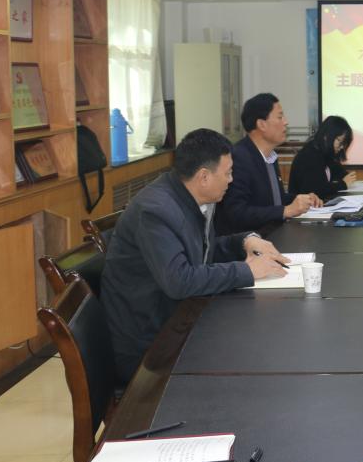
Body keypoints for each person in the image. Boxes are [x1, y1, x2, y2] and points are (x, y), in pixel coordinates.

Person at [101, 129, 289, 384]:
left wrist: (244, 241)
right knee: (247, 361)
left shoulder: (190, 196)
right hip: (150, 346)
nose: (231, 180)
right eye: (228, 173)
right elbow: (179, 280)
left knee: (255, 343)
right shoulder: (156, 211)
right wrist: (247, 271)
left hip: (179, 320)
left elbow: (202, 251)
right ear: (204, 177)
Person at [216, 93, 320, 234]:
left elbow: (275, 200)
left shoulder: (270, 156)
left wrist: (302, 198)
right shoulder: (238, 158)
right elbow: (237, 213)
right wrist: (286, 210)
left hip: (273, 234)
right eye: (280, 117)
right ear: (262, 124)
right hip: (249, 241)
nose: (286, 122)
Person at [288, 115, 358, 200]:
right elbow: (316, 190)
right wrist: (343, 184)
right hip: (305, 207)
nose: (342, 147)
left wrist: (346, 177)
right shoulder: (309, 155)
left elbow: (338, 171)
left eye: (344, 143)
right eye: (340, 141)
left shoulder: (325, 153)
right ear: (326, 136)